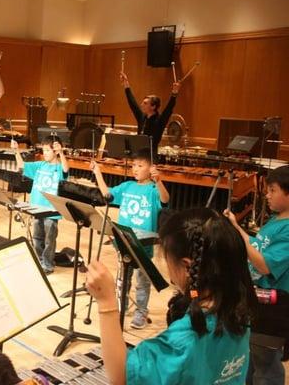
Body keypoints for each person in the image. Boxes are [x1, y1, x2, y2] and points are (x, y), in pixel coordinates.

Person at [85, 208, 257, 384]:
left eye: (167, 260)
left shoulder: (184, 340)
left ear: (187, 266)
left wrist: (106, 302)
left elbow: (121, 377)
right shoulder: (239, 312)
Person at [91, 148, 169, 329]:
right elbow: (107, 195)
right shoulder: (127, 186)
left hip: (143, 243)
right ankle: (122, 305)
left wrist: (159, 180)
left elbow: (165, 200)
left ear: (151, 168)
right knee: (123, 276)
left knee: (142, 280)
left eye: (140, 165)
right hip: (123, 240)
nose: (135, 168)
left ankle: (141, 310)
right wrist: (98, 173)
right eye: (134, 165)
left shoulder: (153, 189)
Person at [225, 165, 289, 384]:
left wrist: (242, 240)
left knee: (266, 365)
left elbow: (264, 265)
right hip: (258, 302)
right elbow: (256, 247)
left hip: (275, 308)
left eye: (272, 190)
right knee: (252, 359)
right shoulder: (276, 220)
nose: (267, 196)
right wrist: (236, 228)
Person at [12, 136, 68, 274]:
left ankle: (48, 265)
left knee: (49, 239)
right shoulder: (40, 165)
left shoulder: (59, 167)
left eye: (48, 150)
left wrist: (61, 152)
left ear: (54, 151)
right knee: (37, 237)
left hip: (51, 210)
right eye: (43, 151)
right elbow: (21, 165)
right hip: (37, 208)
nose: (45, 154)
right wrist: (16, 151)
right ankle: (39, 261)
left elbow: (66, 169)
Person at [120, 72, 180, 154]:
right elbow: (132, 103)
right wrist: (126, 84)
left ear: (153, 106)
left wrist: (174, 93)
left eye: (145, 103)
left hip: (151, 158)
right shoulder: (142, 117)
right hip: (139, 156)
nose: (141, 105)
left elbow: (169, 109)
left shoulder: (160, 120)